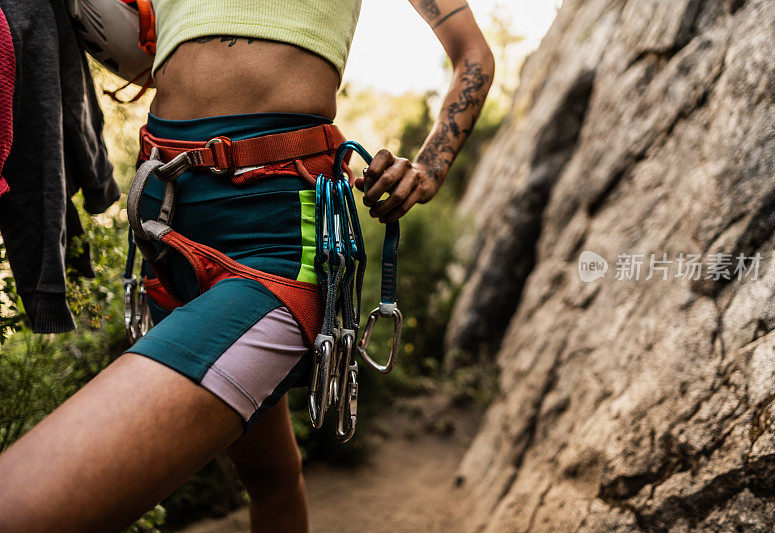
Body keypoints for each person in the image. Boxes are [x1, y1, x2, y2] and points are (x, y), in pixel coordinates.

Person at [0, 0, 494, 530]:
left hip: (274, 237)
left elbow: (474, 55)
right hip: (164, 224)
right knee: (271, 476)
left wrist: (429, 166)